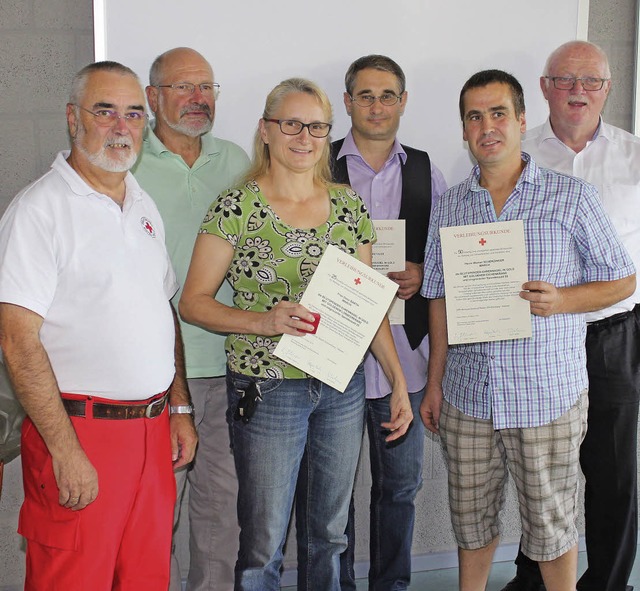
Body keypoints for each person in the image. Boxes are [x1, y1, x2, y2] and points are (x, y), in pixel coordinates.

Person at [179, 77, 413, 591]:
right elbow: (193, 302)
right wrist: (263, 322)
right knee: (263, 541)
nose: (304, 136)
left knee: (329, 534)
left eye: (316, 126)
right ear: (266, 130)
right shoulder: (235, 207)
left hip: (340, 386)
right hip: (268, 389)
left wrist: (396, 380)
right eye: (291, 123)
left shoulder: (349, 207)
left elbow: (369, 305)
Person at [420, 69, 636, 591]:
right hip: (469, 398)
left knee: (551, 528)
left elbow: (623, 281)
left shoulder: (572, 197)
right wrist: (434, 383)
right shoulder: (449, 206)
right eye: (474, 116)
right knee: (471, 524)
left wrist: (563, 300)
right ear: (464, 129)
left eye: (498, 113)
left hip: (547, 397)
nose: (486, 126)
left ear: (521, 120)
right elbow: (440, 296)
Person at [0, 61, 198, 590]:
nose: (120, 126)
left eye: (134, 113)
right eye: (104, 111)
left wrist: (178, 406)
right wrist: (65, 451)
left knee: (146, 578)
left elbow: (163, 309)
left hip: (152, 434)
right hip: (80, 434)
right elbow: (18, 343)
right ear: (73, 118)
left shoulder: (141, 204)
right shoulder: (38, 212)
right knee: (72, 579)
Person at [295, 54, 446, 591]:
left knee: (399, 491)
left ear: (403, 102)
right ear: (347, 101)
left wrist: (424, 271)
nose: (377, 106)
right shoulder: (315, 163)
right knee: (328, 504)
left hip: (403, 360)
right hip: (328, 361)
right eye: (365, 95)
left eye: (387, 95)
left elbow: (447, 259)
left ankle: (392, 586)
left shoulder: (429, 171)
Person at [502, 40, 640, 591]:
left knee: (612, 472)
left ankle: (607, 583)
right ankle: (533, 580)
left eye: (591, 81)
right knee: (539, 470)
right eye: (564, 80)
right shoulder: (516, 152)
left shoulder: (635, 156)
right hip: (537, 335)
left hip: (615, 334)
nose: (578, 90)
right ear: (543, 87)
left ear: (607, 89)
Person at [131, 46, 250, 591]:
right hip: (152, 374)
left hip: (229, 365)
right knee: (156, 512)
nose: (198, 98)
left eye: (207, 87)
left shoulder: (237, 162)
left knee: (221, 510)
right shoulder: (125, 164)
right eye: (183, 87)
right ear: (153, 97)